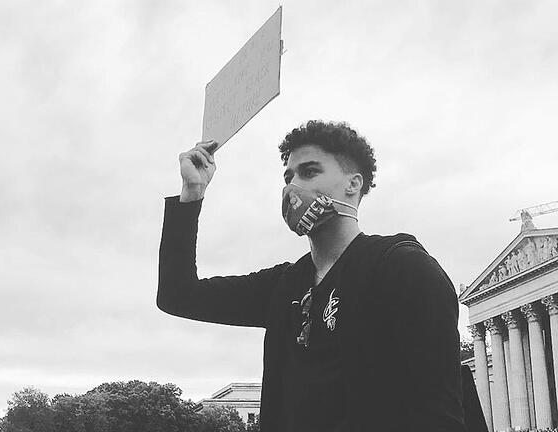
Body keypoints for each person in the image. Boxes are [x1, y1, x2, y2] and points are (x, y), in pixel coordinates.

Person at [157, 120, 465, 432]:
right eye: (288, 177)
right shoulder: (285, 286)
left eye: (309, 172)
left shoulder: (403, 269)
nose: (293, 187)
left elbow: (440, 412)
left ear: (353, 183)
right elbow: (177, 295)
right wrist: (192, 192)